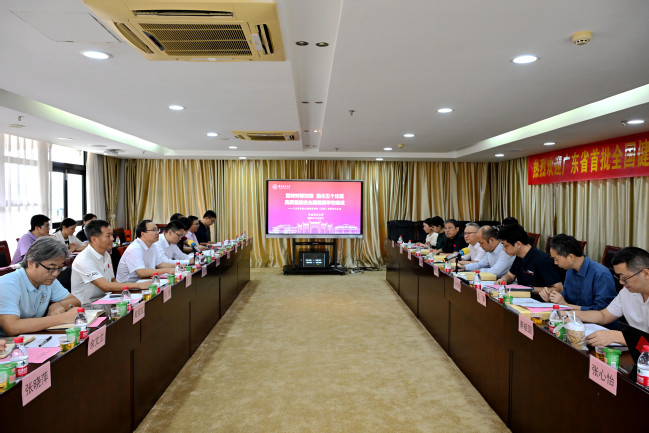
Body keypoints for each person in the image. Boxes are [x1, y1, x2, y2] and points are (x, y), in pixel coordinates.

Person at [0, 237, 81, 337]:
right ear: (31, 263)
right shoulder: (7, 284)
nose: (56, 273)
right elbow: (12, 327)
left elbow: (75, 301)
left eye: (60, 268)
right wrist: (62, 318)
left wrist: (58, 305)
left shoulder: (48, 280)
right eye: (51, 268)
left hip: (34, 337)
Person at [573, 247, 649, 347]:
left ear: (646, 274)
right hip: (636, 351)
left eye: (625, 278)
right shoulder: (627, 292)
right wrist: (572, 314)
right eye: (619, 277)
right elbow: (604, 315)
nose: (621, 282)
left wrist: (617, 337)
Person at [72, 220, 150, 305]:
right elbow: (105, 286)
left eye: (112, 235)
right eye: (108, 236)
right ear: (94, 239)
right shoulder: (83, 259)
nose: (112, 239)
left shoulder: (106, 254)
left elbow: (112, 280)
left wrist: (126, 294)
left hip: (106, 299)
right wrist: (138, 285)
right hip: (88, 305)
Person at [540, 234, 616, 311]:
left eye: (556, 259)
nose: (555, 263)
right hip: (571, 316)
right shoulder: (570, 270)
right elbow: (565, 298)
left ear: (571, 257)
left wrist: (566, 305)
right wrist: (551, 298)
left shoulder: (601, 274)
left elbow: (602, 310)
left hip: (591, 318)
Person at [496, 223, 562, 293]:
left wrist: (528, 289)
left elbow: (559, 288)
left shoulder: (541, 259)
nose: (503, 249)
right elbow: (510, 275)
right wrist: (504, 279)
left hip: (538, 299)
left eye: (506, 246)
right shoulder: (519, 256)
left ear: (518, 244)